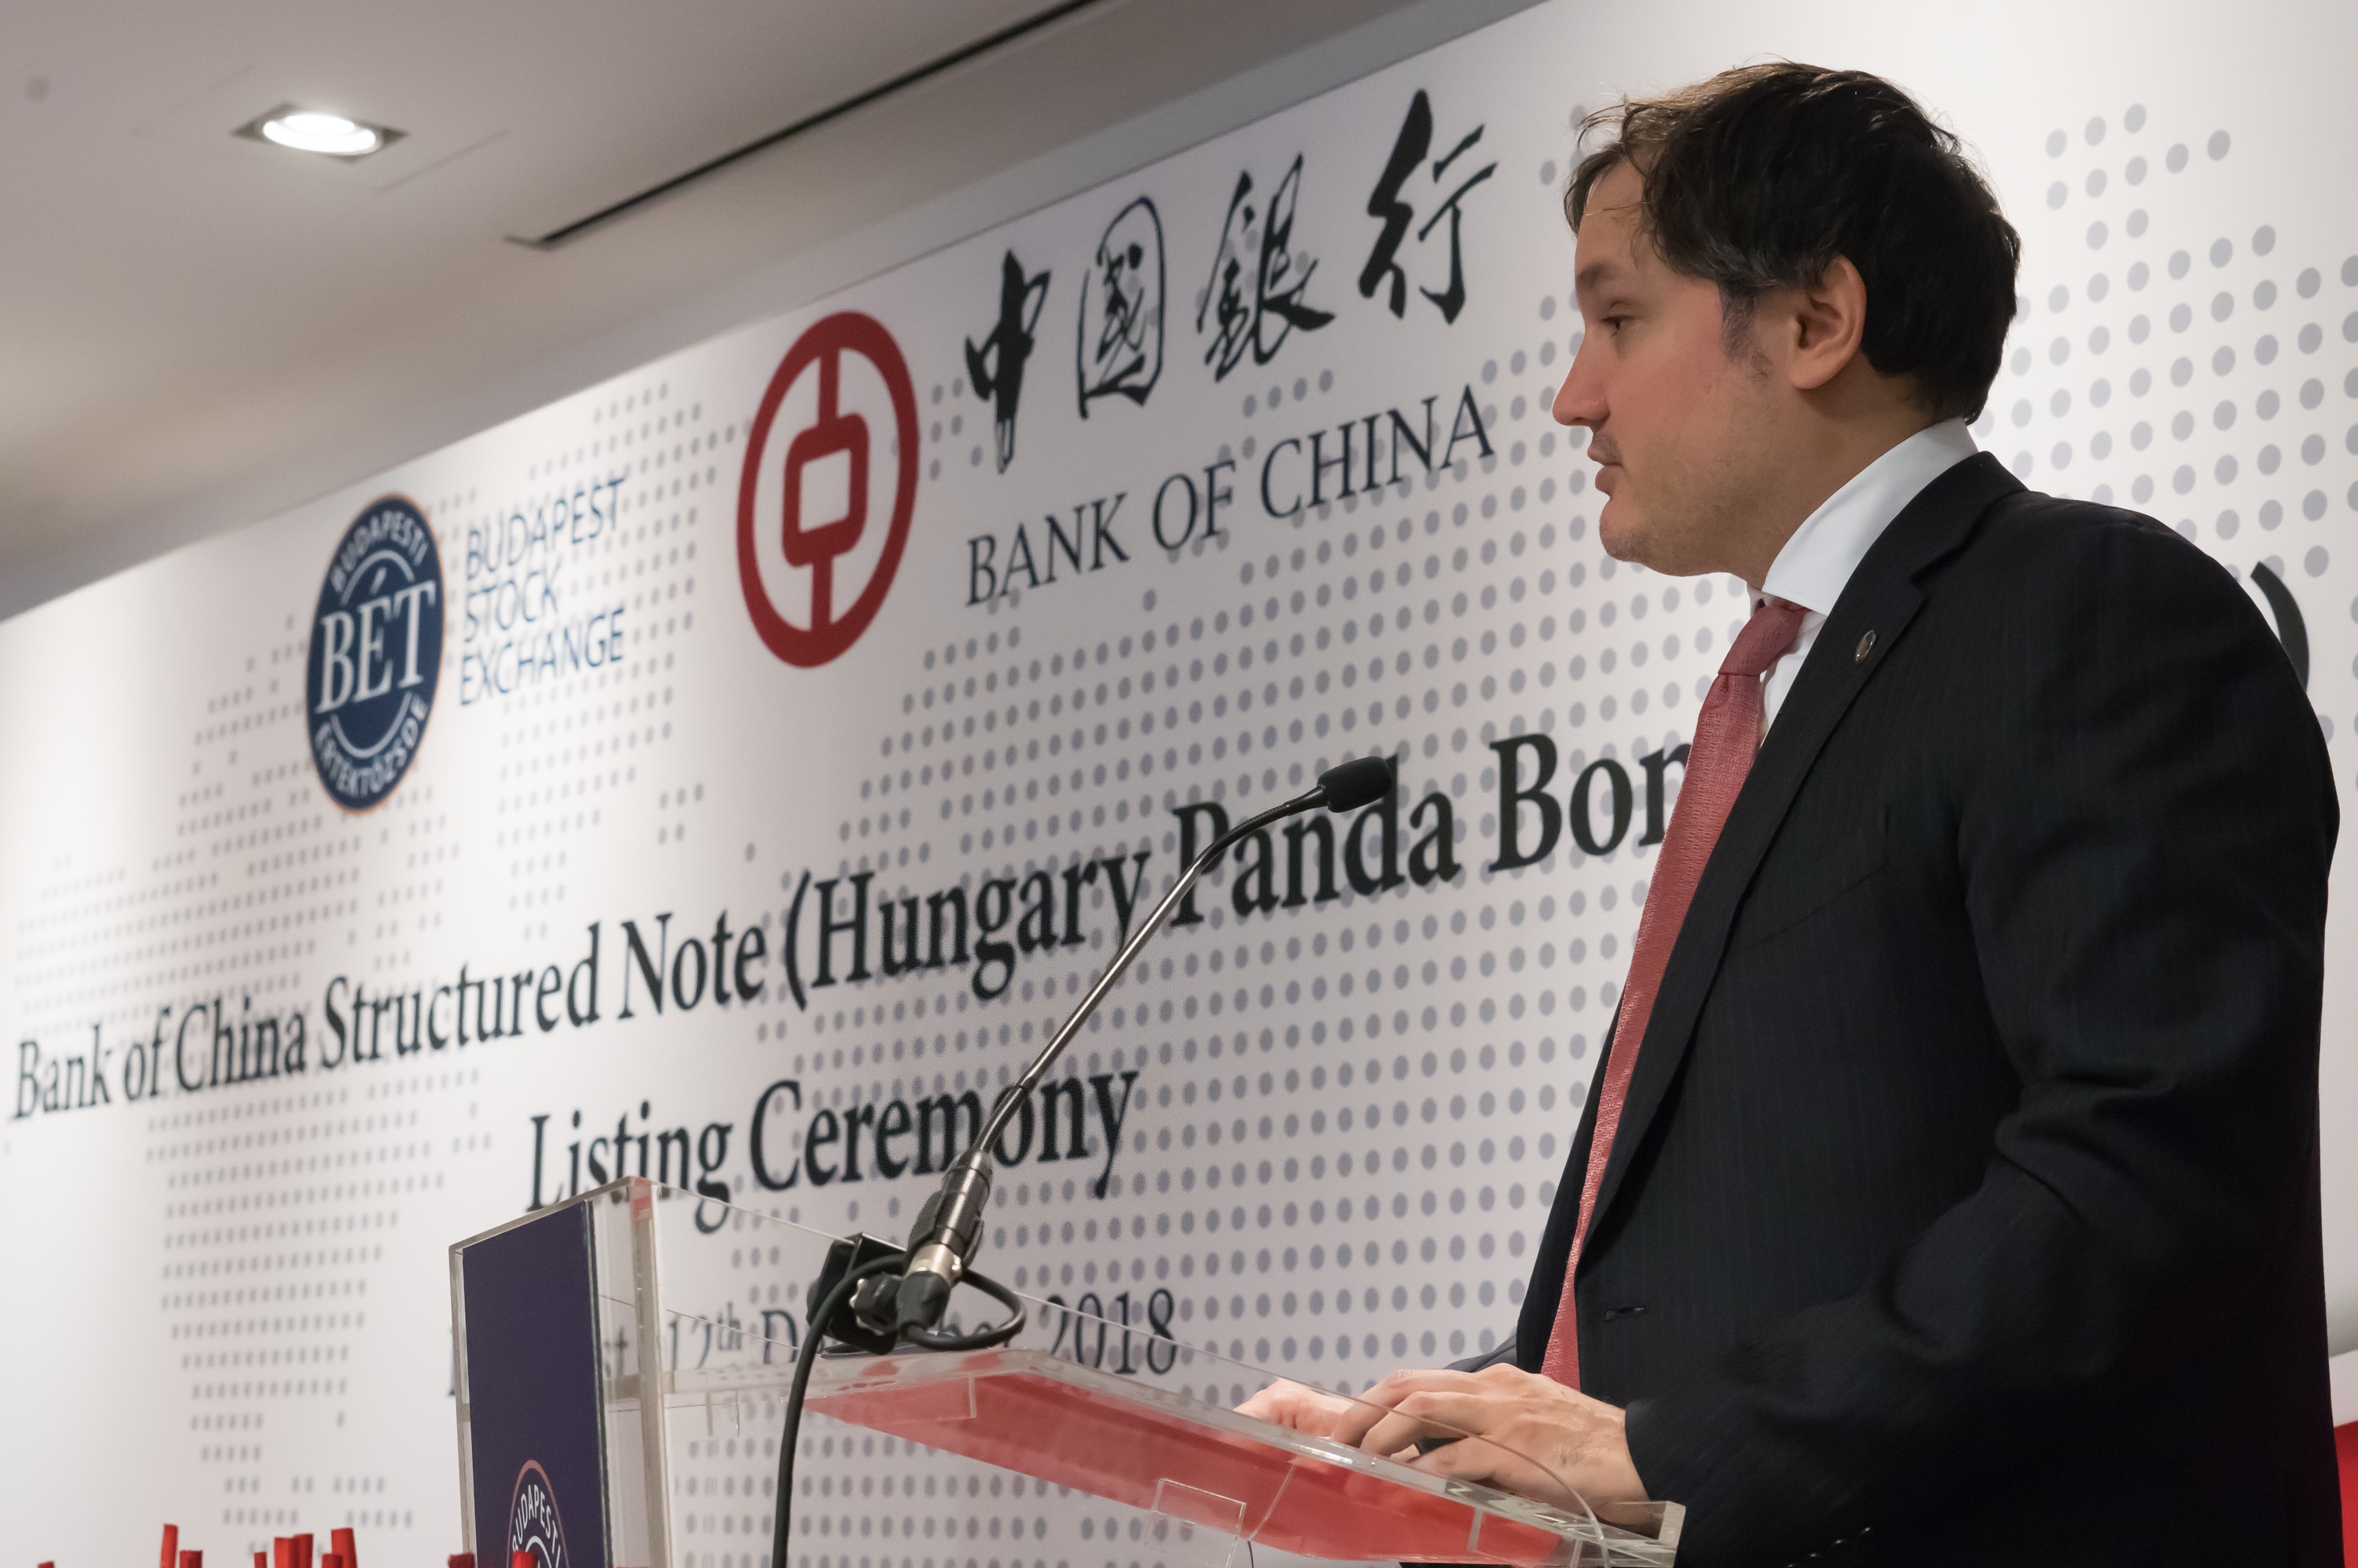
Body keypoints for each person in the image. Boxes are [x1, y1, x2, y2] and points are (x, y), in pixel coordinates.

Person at [1241, 63, 2340, 1565]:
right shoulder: (1802, 687)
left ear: (1818, 321)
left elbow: (2143, 1179)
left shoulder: (2092, 612)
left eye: (1619, 320)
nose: (1573, 396)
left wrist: (1668, 1454)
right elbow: (1740, 1284)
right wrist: (1445, 1445)